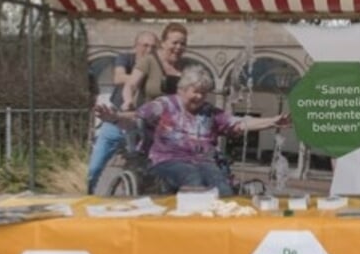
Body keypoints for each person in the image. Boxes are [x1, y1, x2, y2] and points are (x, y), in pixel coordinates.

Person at [96, 65, 289, 196]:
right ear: (182, 89)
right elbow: (136, 119)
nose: (199, 97)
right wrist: (115, 117)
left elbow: (239, 122)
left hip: (204, 162)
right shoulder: (164, 105)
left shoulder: (210, 113)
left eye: (204, 93)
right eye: (195, 91)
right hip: (167, 161)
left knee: (221, 184)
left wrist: (272, 121)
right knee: (192, 177)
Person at [86, 31, 158, 194]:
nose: (149, 50)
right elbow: (118, 78)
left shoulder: (159, 67)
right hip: (115, 120)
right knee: (94, 167)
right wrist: (141, 76)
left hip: (139, 123)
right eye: (145, 46)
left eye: (153, 47)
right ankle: (87, 195)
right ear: (136, 47)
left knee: (143, 170)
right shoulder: (125, 58)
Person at [121, 22, 188, 109]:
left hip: (176, 118)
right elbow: (131, 85)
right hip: (149, 116)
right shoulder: (149, 61)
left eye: (182, 44)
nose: (178, 47)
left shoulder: (187, 67)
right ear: (163, 43)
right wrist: (128, 101)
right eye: (174, 43)